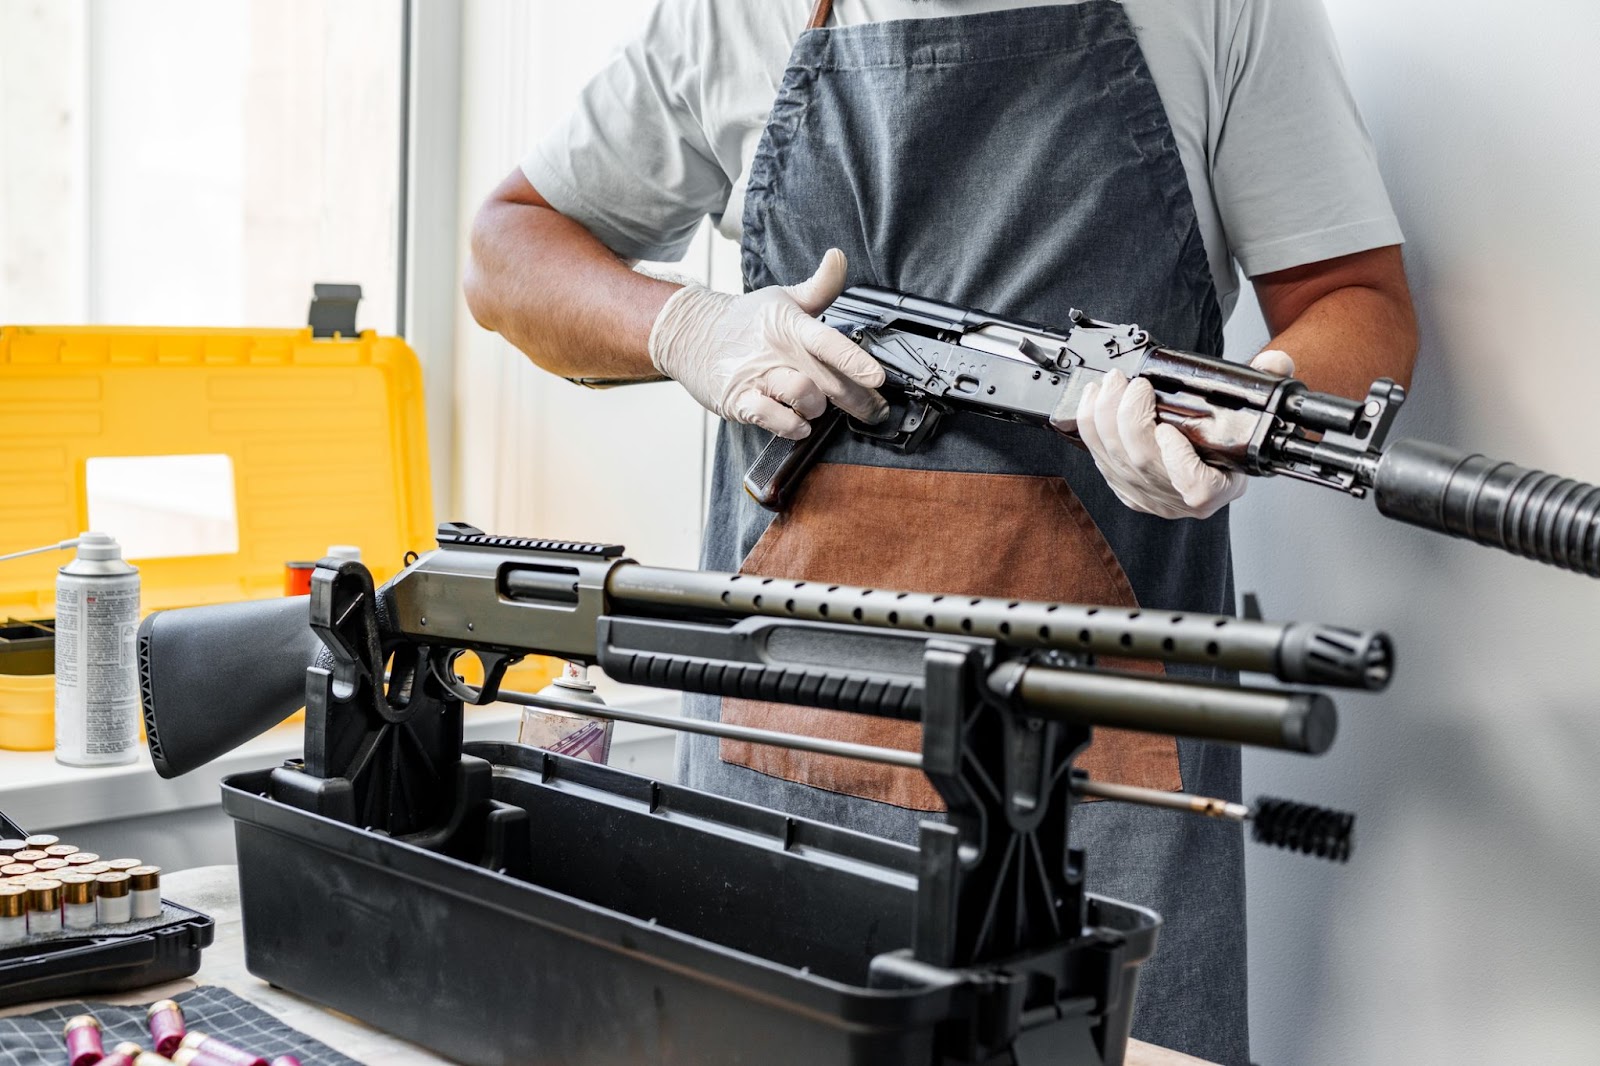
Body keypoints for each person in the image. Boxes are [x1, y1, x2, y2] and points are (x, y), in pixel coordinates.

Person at [464, 1, 1418, 1060]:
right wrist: (685, 325)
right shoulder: (732, 16)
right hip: (779, 751)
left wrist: (1251, 409)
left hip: (1095, 786)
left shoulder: (1221, 11)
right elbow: (502, 250)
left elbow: (1354, 297)